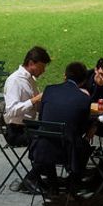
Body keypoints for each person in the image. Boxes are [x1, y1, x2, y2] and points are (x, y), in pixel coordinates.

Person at [30, 61, 93, 195]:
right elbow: (81, 130)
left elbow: (42, 119)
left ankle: (53, 184)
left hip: (42, 149)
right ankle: (73, 182)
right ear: (83, 81)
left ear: (65, 76)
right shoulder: (84, 98)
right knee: (85, 147)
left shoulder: (49, 90)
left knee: (50, 136)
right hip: (68, 152)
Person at [2, 45, 50, 148]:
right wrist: (35, 100)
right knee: (51, 136)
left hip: (29, 126)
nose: (43, 70)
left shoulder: (30, 80)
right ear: (31, 63)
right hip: (16, 131)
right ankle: (42, 162)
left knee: (56, 130)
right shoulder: (15, 80)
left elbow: (37, 107)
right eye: (41, 67)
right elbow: (11, 110)